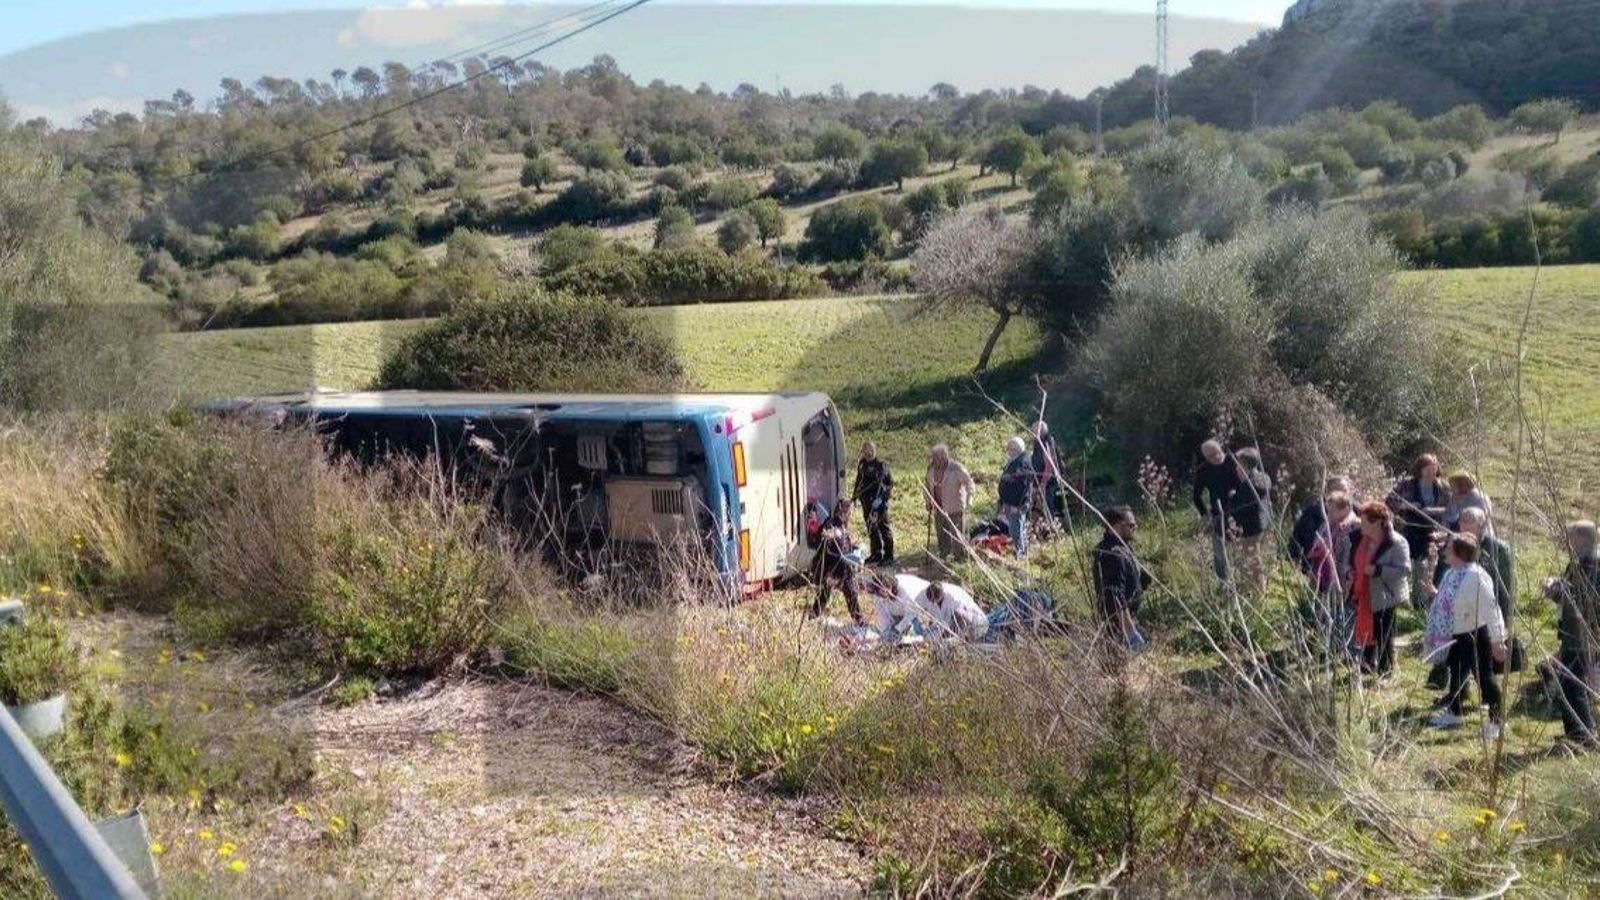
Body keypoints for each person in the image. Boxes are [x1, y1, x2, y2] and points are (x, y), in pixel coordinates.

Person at [1424, 534, 1507, 737]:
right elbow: (1453, 600)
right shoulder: (1453, 572)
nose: (1445, 550)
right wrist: (1435, 593)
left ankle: (1497, 722)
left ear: (1459, 552)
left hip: (1475, 634)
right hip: (1456, 633)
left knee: (1484, 678)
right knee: (1457, 672)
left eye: (1449, 548)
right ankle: (1455, 712)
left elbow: (1491, 608)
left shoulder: (1475, 576)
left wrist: (1498, 641)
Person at [1425, 506, 1516, 690]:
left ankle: (1489, 706)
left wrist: (1505, 618)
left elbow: (1506, 586)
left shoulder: (1497, 549)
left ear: (1482, 525)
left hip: (1481, 615)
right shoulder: (1455, 544)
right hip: (1456, 615)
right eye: (1461, 521)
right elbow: (1446, 573)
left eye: (1469, 521)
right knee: (1458, 661)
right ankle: (1456, 698)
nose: (1463, 525)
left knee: (1481, 666)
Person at [1543, 521, 1600, 749]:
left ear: (1581, 538)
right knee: (1570, 681)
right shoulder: (1587, 560)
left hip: (1581, 634)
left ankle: (1584, 736)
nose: (1566, 541)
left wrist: (1553, 589)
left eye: (1570, 537)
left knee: (1572, 684)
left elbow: (1581, 598)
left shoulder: (1590, 563)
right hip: (1580, 632)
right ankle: (1575, 734)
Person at [1348, 501, 1411, 678]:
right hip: (1365, 593)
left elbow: (1404, 570)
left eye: (1365, 521)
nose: (1360, 523)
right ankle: (1367, 664)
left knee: (1384, 632)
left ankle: (1387, 669)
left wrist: (1378, 570)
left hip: (1386, 594)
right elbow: (1353, 561)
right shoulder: (1361, 539)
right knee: (1368, 629)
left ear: (1377, 523)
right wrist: (1352, 573)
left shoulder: (1397, 542)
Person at [1388, 454, 1450, 607]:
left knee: (1425, 565)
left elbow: (1451, 508)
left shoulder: (1443, 486)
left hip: (1432, 529)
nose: (1432, 472)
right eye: (1428, 469)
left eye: (1434, 468)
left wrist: (1432, 510)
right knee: (1407, 563)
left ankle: (1421, 601)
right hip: (1408, 528)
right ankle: (1403, 598)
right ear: (1420, 469)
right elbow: (1390, 500)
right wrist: (1407, 506)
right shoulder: (1407, 484)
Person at [1093, 506, 1151, 652]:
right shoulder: (1111, 554)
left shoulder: (1122, 548)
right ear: (1117, 526)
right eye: (1131, 525)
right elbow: (1114, 597)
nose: (1134, 528)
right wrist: (1130, 632)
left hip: (1129, 619)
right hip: (1120, 627)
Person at [1192, 439, 1245, 582]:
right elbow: (1196, 496)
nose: (1214, 457)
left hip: (1239, 511)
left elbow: (1247, 483)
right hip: (1217, 513)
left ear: (1220, 449)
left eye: (1216, 453)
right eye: (1209, 456)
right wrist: (1204, 514)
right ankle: (1223, 582)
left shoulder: (1233, 461)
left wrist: (1238, 494)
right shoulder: (1203, 471)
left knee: (1241, 548)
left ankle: (1243, 580)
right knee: (1219, 551)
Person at [810, 499, 863, 624]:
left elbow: (844, 544)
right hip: (833, 567)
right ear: (843, 511)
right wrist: (830, 535)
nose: (850, 514)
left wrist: (856, 548)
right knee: (825, 594)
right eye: (849, 512)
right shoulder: (831, 524)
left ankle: (859, 620)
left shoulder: (843, 526)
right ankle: (813, 615)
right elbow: (825, 541)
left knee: (850, 594)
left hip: (844, 567)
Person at [1289, 477, 1355, 574]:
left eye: (1345, 491)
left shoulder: (1356, 516)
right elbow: (1297, 540)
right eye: (1338, 490)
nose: (1341, 495)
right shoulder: (1312, 514)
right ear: (1327, 493)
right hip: (1313, 572)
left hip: (1342, 576)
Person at [1230, 448, 1273, 592]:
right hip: (1259, 524)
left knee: (1251, 559)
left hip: (1250, 528)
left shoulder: (1250, 485)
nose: (1236, 468)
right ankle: (1253, 587)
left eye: (1239, 464)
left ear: (1246, 466)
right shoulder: (1263, 478)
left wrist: (1232, 496)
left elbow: (1237, 506)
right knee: (1252, 557)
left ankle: (1257, 591)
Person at [926, 444, 976, 558]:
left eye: (935, 458)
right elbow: (927, 487)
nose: (933, 461)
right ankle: (944, 556)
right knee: (942, 535)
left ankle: (959, 558)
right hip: (938, 509)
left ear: (943, 457)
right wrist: (928, 501)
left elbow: (969, 483)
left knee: (957, 536)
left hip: (955, 508)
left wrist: (970, 499)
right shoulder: (931, 469)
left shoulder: (956, 468)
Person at [852, 440, 895, 565]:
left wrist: (882, 498)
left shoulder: (881, 465)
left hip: (879, 503)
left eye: (869, 450)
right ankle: (876, 553)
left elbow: (890, 483)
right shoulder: (862, 465)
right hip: (866, 502)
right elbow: (858, 481)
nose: (867, 452)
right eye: (865, 450)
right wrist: (854, 496)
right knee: (871, 528)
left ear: (874, 450)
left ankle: (888, 556)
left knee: (883, 528)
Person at [864, 571, 935, 643]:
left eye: (887, 588)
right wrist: (887, 632)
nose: (885, 592)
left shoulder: (905, 591)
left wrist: (898, 629)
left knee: (918, 628)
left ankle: (922, 637)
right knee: (891, 633)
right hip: (899, 611)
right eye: (882, 591)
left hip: (919, 608)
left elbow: (912, 613)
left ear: (891, 585)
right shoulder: (878, 596)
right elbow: (882, 616)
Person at [997, 436, 1036, 560]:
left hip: (1016, 503)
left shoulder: (1023, 462)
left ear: (1016, 449)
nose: (1008, 451)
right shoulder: (1016, 460)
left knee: (1017, 529)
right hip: (1010, 502)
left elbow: (1023, 486)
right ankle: (1019, 552)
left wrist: (1016, 505)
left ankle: (1021, 554)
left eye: (1010, 449)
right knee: (1015, 528)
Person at [918, 580, 989, 642]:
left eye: (935, 600)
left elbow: (959, 620)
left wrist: (945, 638)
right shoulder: (931, 595)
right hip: (956, 627)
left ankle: (970, 640)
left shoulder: (954, 598)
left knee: (959, 615)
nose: (934, 603)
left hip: (977, 624)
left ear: (941, 595)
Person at [1031, 421, 1065, 528]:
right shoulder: (1038, 442)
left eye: (1034, 431)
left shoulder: (1047, 442)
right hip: (1041, 479)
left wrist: (1043, 484)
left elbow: (1049, 465)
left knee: (1048, 502)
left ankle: (1052, 526)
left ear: (1040, 431)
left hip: (1050, 480)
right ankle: (1045, 524)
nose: (1032, 433)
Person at [1445, 471, 1494, 536]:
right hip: (1458, 532)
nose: (1458, 486)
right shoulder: (1455, 497)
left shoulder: (1480, 497)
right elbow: (1448, 515)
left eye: (1461, 483)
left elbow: (1484, 518)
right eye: (1457, 483)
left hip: (1479, 534)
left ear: (1468, 483)